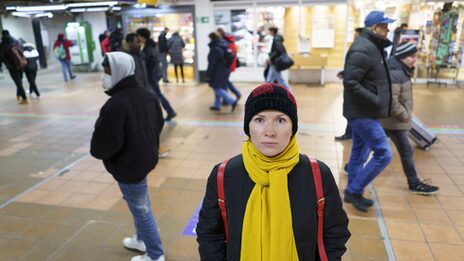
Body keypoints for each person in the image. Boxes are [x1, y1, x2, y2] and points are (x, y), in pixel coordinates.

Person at [197, 83, 350, 261]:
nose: (269, 132)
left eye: (280, 120)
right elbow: (209, 234)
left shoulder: (317, 174)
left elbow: (335, 232)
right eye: (260, 120)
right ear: (248, 127)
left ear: (293, 128)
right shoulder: (224, 175)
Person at [90, 52, 165, 261]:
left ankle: (155, 254)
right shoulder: (147, 94)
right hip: (144, 160)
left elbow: (101, 147)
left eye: (107, 71)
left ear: (119, 72)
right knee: (139, 203)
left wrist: (116, 157)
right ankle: (141, 240)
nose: (104, 76)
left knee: (142, 209)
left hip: (128, 167)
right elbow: (159, 124)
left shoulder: (116, 105)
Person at [342, 11, 395, 212]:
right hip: (362, 113)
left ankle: (351, 191)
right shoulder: (363, 48)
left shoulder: (372, 47)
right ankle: (355, 190)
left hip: (366, 112)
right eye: (385, 26)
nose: (387, 30)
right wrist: (377, 100)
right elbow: (350, 82)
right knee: (384, 153)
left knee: (358, 153)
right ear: (374, 28)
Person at [381, 42, 439, 195]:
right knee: (405, 151)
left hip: (389, 120)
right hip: (394, 122)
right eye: (411, 56)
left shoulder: (400, 70)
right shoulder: (396, 73)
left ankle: (351, 170)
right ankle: (414, 183)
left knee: (371, 147)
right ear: (402, 57)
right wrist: (405, 115)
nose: (415, 59)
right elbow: (392, 103)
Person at [125, 33, 171, 158]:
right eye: (136, 42)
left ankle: (153, 147)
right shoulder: (128, 58)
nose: (139, 44)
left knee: (152, 121)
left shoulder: (140, 55)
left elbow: (144, 75)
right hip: (136, 95)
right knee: (143, 124)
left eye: (139, 42)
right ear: (129, 43)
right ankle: (151, 148)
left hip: (145, 92)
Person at [137, 28, 177, 121]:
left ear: (142, 36)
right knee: (157, 94)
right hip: (155, 74)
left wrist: (148, 76)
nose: (138, 38)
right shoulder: (151, 44)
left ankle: (168, 112)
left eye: (138, 36)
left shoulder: (148, 48)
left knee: (156, 95)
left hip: (152, 75)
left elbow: (150, 63)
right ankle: (169, 111)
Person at [335, 27, 363, 141]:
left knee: (353, 110)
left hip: (355, 85)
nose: (354, 36)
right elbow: (352, 65)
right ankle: (350, 133)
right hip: (352, 83)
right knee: (351, 110)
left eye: (356, 34)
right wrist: (344, 72)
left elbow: (358, 67)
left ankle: (350, 133)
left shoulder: (361, 48)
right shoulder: (357, 46)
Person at [206, 32, 237, 112]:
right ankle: (217, 105)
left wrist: (208, 75)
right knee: (220, 87)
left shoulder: (215, 48)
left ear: (212, 39)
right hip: (225, 70)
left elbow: (212, 64)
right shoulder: (224, 45)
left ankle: (232, 101)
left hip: (218, 71)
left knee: (217, 88)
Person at [0, 30, 28, 104]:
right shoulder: (16, 41)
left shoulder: (3, 44)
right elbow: (22, 50)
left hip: (11, 66)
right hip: (20, 64)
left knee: (17, 82)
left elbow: (1, 57)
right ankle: (18, 94)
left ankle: (24, 98)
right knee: (20, 80)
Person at [217, 27, 242, 101]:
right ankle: (234, 94)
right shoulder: (230, 40)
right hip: (230, 63)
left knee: (224, 81)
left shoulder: (224, 41)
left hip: (226, 65)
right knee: (225, 81)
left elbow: (224, 54)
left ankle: (228, 98)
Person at [266, 26, 291, 90]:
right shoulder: (277, 38)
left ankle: (289, 90)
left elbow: (278, 50)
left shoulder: (276, 39)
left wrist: (271, 58)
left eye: (269, 31)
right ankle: (267, 89)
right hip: (274, 61)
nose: (269, 32)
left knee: (278, 78)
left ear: (272, 31)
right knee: (270, 77)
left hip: (274, 61)